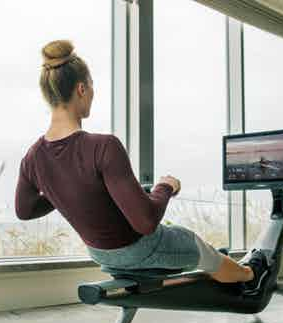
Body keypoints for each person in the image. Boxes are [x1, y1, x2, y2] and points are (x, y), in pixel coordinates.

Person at [15, 40, 269, 294]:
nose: (93, 93)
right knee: (198, 247)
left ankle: (220, 263)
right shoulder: (103, 146)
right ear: (81, 89)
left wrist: (60, 185)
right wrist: (165, 187)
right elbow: (146, 223)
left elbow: (24, 210)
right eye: (92, 88)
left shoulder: (33, 157)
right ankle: (250, 274)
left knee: (192, 248)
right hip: (141, 249)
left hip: (102, 256)